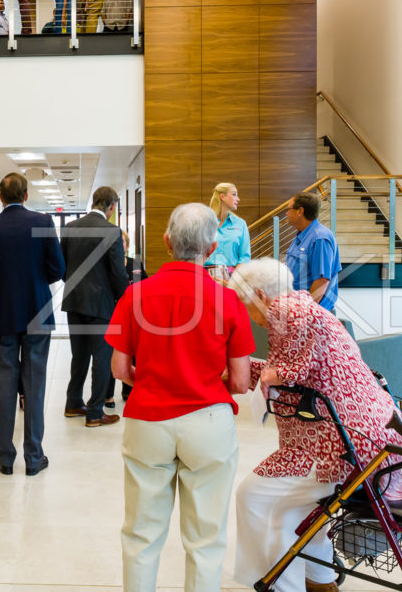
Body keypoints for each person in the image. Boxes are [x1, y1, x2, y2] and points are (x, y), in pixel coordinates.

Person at [228, 258, 402, 592]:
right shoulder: (305, 307)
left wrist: (235, 369)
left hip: (340, 447)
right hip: (376, 438)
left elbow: (286, 375)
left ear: (258, 294)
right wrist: (249, 371)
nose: (247, 315)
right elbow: (287, 369)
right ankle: (319, 581)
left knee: (252, 497)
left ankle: (280, 585)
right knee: (294, 507)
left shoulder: (285, 312)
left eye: (244, 306)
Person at [106, 203, 253, 592]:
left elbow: (119, 370)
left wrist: (153, 378)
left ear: (167, 242)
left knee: (140, 533)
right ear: (212, 247)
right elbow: (240, 381)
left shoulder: (135, 295)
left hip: (147, 420)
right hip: (208, 422)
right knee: (206, 538)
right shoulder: (228, 301)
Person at [0, 173, 66, 476]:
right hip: (37, 312)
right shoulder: (42, 222)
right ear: (26, 195)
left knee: (5, 386)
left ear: (1, 197)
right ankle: (34, 457)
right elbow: (58, 268)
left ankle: (5, 456)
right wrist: (37, 279)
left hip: (2, 315)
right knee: (35, 387)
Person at [61, 186, 130, 427]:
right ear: (111, 207)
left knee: (78, 355)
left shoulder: (70, 229)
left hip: (74, 302)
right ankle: (94, 412)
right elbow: (118, 274)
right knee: (102, 357)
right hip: (101, 305)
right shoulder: (112, 232)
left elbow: (63, 269)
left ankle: (72, 403)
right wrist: (124, 297)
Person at [105, 229, 145, 408]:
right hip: (111, 314)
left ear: (127, 246)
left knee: (133, 351)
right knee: (109, 354)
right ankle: (107, 395)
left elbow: (145, 284)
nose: (120, 245)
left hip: (134, 314)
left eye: (122, 242)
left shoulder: (135, 264)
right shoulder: (106, 265)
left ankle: (128, 390)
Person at [283, 192, 341, 312]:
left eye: (289, 209)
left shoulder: (320, 238)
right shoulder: (301, 237)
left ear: (300, 211)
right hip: (296, 309)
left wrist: (305, 312)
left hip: (312, 314)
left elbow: (322, 281)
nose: (286, 213)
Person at [203, 182, 251, 281]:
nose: (238, 199)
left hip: (232, 277)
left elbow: (245, 257)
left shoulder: (241, 224)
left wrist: (233, 279)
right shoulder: (203, 222)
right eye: (234, 194)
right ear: (222, 196)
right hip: (204, 276)